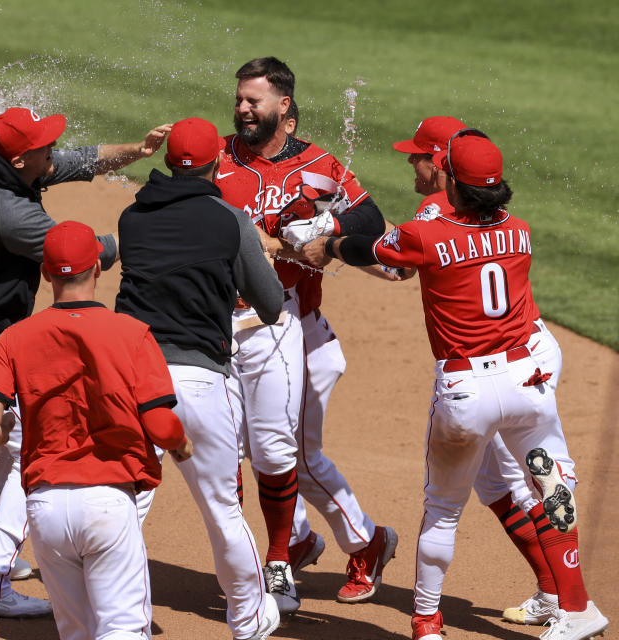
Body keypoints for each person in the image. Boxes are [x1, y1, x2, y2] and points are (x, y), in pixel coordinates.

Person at [317, 129, 608, 640]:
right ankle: (576, 606)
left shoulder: (427, 236)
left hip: (467, 392)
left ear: (450, 178)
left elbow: (376, 250)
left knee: (443, 510)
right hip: (526, 380)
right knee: (554, 491)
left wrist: (332, 242)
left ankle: (427, 620)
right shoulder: (520, 230)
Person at [0, 106, 170, 617]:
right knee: (30, 442)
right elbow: (84, 255)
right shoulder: (11, 212)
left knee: (1, 429)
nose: (56, 149)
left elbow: (79, 160)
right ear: (22, 156)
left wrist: (136, 151)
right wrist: (166, 238)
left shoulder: (8, 165)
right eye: (45, 145)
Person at [216, 56, 396, 610]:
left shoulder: (318, 164)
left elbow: (371, 220)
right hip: (242, 328)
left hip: (302, 332)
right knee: (256, 446)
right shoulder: (220, 159)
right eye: (240, 99)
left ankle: (366, 541)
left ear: (283, 107)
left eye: (255, 101)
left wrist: (329, 227)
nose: (244, 109)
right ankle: (293, 539)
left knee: (290, 451)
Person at [391, 116, 577, 626]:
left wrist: (333, 236)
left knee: (517, 484)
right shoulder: (501, 216)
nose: (412, 162)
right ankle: (554, 591)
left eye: (420, 155)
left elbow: (399, 263)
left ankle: (565, 602)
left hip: (506, 358)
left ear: (443, 164)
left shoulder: (435, 213)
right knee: (495, 485)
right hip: (524, 354)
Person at [0, 220, 192, 640]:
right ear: (99, 269)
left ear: (46, 274)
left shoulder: (14, 338)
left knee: (77, 632)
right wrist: (180, 444)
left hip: (46, 509)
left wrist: (1, 437)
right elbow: (161, 425)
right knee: (122, 628)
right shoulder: (133, 333)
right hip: (108, 503)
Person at [116, 117, 284, 640]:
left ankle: (121, 620)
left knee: (126, 506)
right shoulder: (229, 220)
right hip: (200, 380)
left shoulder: (131, 219)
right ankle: (249, 618)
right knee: (220, 506)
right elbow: (273, 306)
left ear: (169, 162)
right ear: (217, 162)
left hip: (134, 379)